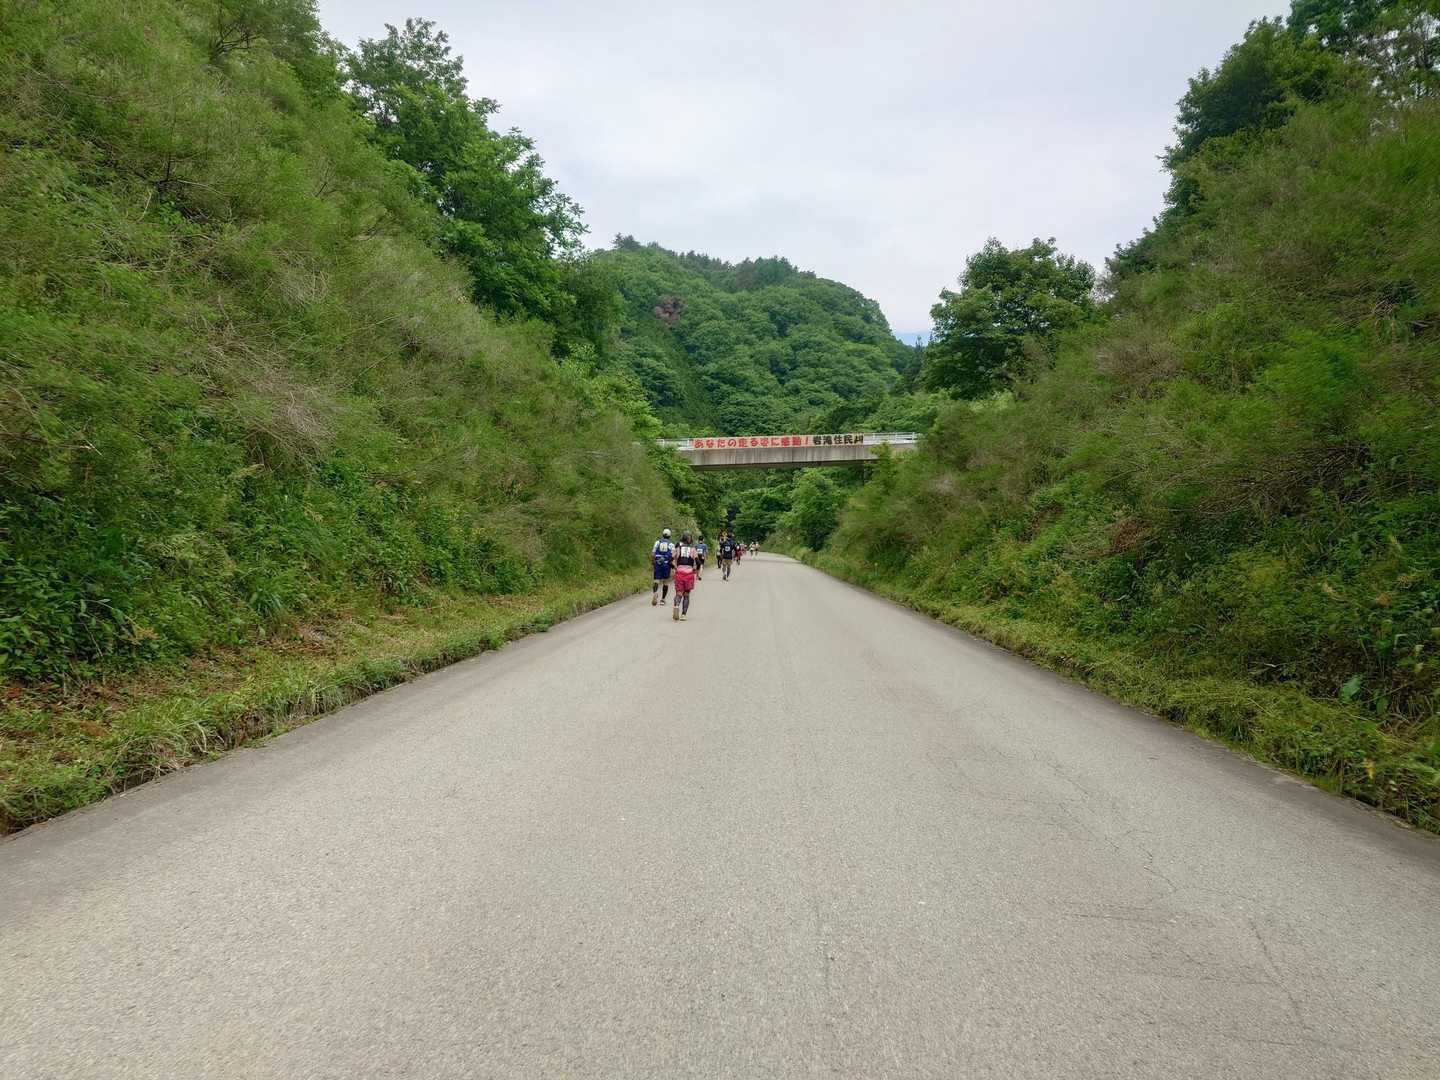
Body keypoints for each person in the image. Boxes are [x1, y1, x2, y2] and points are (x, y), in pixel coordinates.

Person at [671, 531, 700, 620]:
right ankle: (683, 615)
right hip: (689, 574)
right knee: (686, 594)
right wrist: (696, 570)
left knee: (679, 593)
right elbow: (698, 562)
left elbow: (669, 560)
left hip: (679, 572)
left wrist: (674, 567)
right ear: (690, 539)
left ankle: (676, 605)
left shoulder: (678, 548)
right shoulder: (693, 549)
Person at [651, 528, 675, 606]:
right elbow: (673, 556)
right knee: (665, 581)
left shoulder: (657, 542)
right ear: (669, 536)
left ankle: (655, 592)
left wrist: (653, 562)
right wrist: (673, 567)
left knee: (656, 580)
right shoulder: (671, 544)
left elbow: (653, 553)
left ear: (662, 535)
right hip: (666, 563)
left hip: (658, 562)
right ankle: (663, 600)